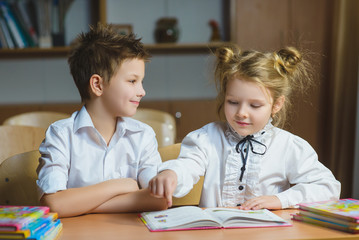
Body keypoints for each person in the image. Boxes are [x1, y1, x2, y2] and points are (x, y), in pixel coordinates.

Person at [149, 44, 341, 210]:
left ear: (276, 105)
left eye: (255, 105)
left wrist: (280, 199)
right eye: (233, 102)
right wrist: (172, 173)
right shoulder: (206, 138)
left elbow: (327, 187)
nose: (241, 112)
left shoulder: (288, 146)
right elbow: (188, 165)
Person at [36, 23, 167, 217]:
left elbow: (158, 199)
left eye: (141, 81)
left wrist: (79, 206)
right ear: (97, 84)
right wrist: (121, 185)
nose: (142, 91)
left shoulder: (143, 135)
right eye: (132, 81)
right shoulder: (61, 135)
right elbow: (53, 204)